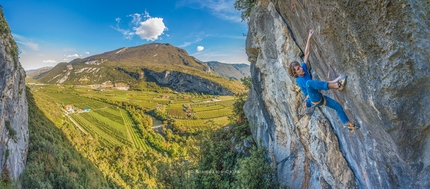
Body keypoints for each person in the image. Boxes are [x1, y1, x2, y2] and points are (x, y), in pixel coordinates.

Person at [287, 29, 356, 130]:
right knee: (309, 83)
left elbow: (306, 54)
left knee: (337, 106)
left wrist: (309, 38)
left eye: (299, 67)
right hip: (312, 99)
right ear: (295, 73)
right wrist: (333, 82)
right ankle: (337, 86)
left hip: (319, 97)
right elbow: (313, 85)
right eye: (298, 69)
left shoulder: (304, 70)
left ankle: (350, 125)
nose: (301, 68)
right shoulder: (299, 80)